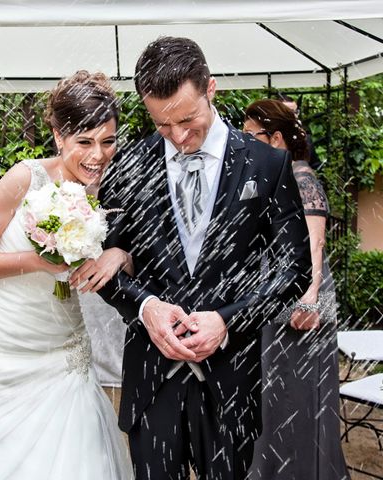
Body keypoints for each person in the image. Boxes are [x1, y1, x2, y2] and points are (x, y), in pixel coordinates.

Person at [98, 36, 312, 480]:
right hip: (153, 377)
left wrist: (227, 320)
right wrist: (144, 307)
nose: (178, 137)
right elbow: (105, 265)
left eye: (188, 119)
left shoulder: (266, 165)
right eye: (162, 125)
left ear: (210, 88)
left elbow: (295, 270)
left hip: (231, 379)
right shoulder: (128, 166)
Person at [0, 71, 134, 479]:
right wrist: (36, 262)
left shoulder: (104, 187)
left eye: (108, 141)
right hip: (1, 345)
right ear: (58, 135)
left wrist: (119, 253)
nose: (98, 155)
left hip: (64, 345)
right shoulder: (24, 178)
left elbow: (119, 251)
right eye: (84, 142)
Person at [243, 99, 350, 480]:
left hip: (300, 304)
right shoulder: (279, 175)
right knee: (276, 401)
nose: (245, 142)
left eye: (250, 135)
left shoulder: (302, 178)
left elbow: (315, 246)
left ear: (274, 138)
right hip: (281, 296)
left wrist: (306, 302)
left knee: (296, 402)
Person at [277, 92, 322, 170]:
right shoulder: (268, 137)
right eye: (289, 112)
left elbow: (316, 166)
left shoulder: (305, 138)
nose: (294, 115)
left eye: (296, 111)